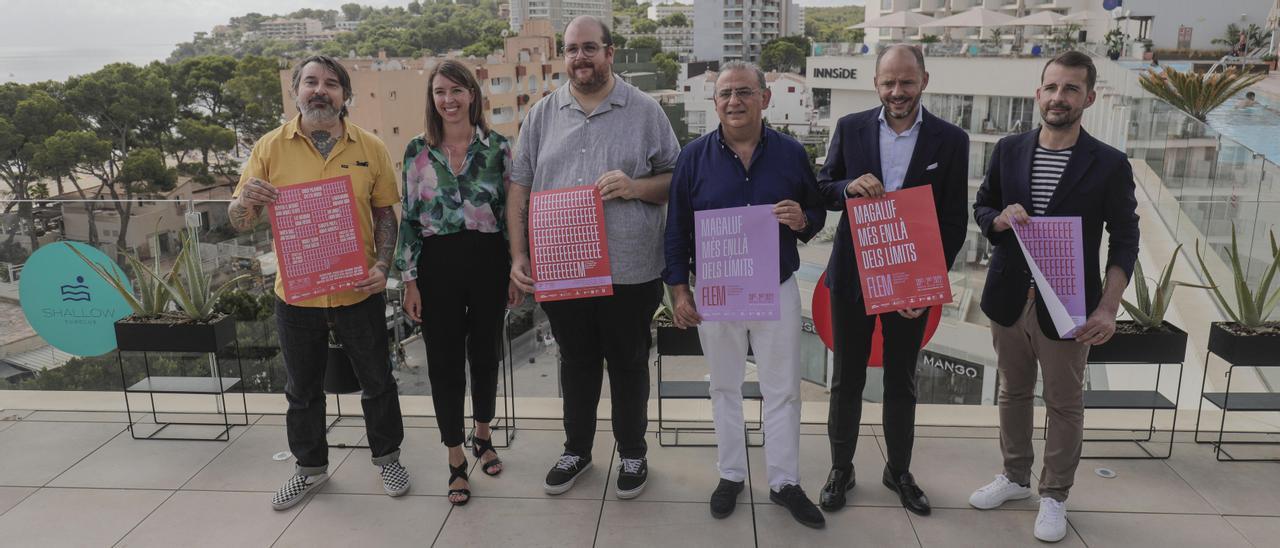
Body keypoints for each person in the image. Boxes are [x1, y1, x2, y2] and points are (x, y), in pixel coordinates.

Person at [507, 16, 680, 500]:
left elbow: (676, 179)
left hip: (631, 267)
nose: (580, 58)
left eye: (589, 48)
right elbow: (520, 184)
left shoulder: (645, 111)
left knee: (627, 363)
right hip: (562, 267)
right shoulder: (543, 114)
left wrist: (635, 186)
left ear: (610, 52)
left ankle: (632, 453)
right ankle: (577, 450)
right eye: (571, 50)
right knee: (576, 362)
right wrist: (518, 253)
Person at [969, 51, 1139, 543]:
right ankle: (1016, 478)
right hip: (1009, 296)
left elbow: (1124, 238)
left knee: (1064, 402)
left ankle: (1055, 496)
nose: (1059, 97)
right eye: (1051, 87)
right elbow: (983, 206)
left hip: (1069, 304)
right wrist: (997, 220)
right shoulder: (1009, 149)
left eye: (1070, 89)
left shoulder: (1108, 163)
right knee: (1012, 392)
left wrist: (1108, 306)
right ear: (1038, 92)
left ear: (1088, 97)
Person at [229, 55, 409, 511]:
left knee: (378, 381)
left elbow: (386, 212)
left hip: (358, 291)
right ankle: (309, 469)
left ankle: (387, 457)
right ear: (296, 91)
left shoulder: (370, 147)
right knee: (301, 391)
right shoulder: (269, 148)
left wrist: (383, 265)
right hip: (297, 295)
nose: (320, 90)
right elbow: (239, 220)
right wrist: (245, 200)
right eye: (311, 82)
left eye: (331, 83)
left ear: (344, 95)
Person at [663, 61, 828, 528]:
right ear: (714, 103)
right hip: (716, 295)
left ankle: (785, 482)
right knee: (724, 387)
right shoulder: (693, 157)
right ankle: (731, 474)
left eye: (744, 92)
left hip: (775, 288)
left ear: (765, 98)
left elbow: (814, 212)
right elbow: (676, 229)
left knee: (783, 391)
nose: (734, 101)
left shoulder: (792, 153)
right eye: (725, 94)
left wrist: (803, 220)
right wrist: (678, 291)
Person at [815, 44, 970, 517]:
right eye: (888, 82)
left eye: (906, 81)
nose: (897, 91)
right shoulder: (851, 127)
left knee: (902, 381)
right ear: (876, 83)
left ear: (925, 80)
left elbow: (953, 221)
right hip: (853, 276)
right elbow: (822, 186)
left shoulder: (951, 139)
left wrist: (923, 285)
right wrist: (847, 188)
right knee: (846, 379)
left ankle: (898, 470)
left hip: (910, 280)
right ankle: (841, 468)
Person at [394, 59, 520, 506]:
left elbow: (511, 214)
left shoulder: (499, 148)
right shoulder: (416, 151)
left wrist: (514, 268)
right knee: (444, 364)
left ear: (473, 94)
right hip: (437, 265)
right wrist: (409, 281)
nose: (448, 100)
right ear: (432, 99)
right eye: (440, 92)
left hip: (488, 261)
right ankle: (455, 460)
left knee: (485, 354)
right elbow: (409, 217)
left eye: (457, 90)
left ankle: (483, 436)